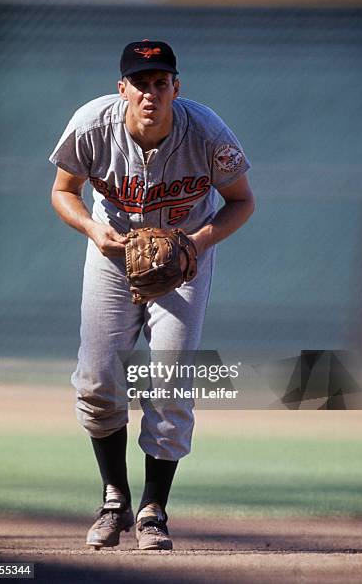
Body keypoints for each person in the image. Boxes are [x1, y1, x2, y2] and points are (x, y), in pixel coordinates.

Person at [49, 39, 254, 551]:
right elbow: (63, 190)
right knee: (97, 380)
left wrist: (195, 243)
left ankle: (154, 510)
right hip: (113, 255)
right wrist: (93, 232)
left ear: (175, 89)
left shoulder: (206, 131)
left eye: (160, 83)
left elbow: (242, 201)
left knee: (168, 381)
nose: (150, 93)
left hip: (184, 262)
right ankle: (113, 498)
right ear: (122, 89)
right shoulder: (93, 126)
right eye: (140, 83)